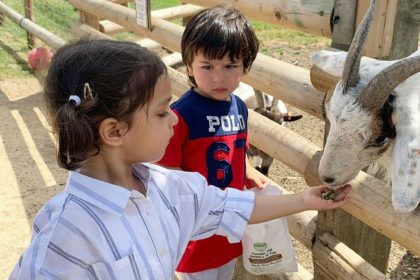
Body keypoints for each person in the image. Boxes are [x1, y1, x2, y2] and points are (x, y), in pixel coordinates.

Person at [9, 39, 351, 280]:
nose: (174, 119)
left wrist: (305, 200)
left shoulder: (167, 188)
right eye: (161, 113)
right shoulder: (66, 236)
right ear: (114, 132)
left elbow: (233, 206)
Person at [156, 6, 265, 279]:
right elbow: (168, 172)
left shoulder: (238, 106)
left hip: (229, 222)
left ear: (245, 66)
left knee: (225, 272)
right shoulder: (182, 114)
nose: (219, 77)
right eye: (207, 66)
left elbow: (238, 149)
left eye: (230, 66)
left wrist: (248, 170)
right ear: (189, 66)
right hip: (197, 227)